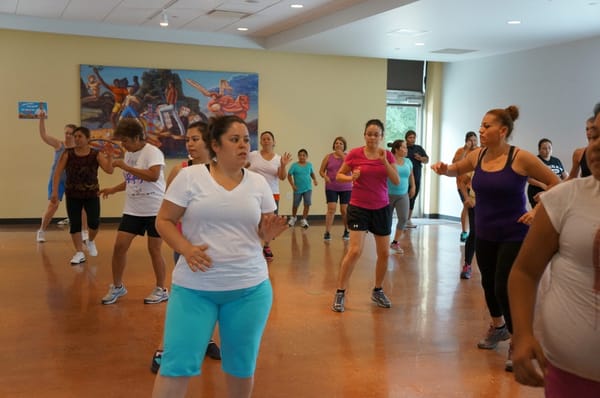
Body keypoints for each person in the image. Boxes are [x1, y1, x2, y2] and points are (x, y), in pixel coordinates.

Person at [151, 115, 289, 398]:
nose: (242, 146)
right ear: (215, 145)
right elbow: (163, 221)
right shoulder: (190, 177)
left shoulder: (258, 183)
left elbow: (260, 233)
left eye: (245, 140)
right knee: (176, 364)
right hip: (194, 290)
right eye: (234, 140)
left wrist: (269, 233)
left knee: (241, 366)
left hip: (249, 290)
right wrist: (185, 249)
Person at [431, 105, 560, 371]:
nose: (481, 130)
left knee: (504, 285)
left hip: (514, 233)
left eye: (487, 126)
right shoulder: (477, 156)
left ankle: (518, 339)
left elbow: (555, 182)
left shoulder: (520, 158)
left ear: (502, 131)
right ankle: (498, 326)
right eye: (481, 125)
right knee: (488, 284)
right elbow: (457, 169)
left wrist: (537, 209)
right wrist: (445, 169)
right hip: (485, 231)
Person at [508, 104, 600, 396]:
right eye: (594, 136)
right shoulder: (566, 198)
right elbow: (524, 271)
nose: (595, 147)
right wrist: (522, 335)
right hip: (570, 374)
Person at [151, 121, 220, 374]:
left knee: (211, 294)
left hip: (214, 246)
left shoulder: (221, 171)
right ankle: (163, 349)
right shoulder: (180, 171)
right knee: (184, 298)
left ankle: (208, 339)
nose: (189, 144)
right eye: (187, 140)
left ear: (209, 142)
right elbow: (168, 212)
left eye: (195, 139)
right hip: (186, 244)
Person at [331, 119, 399, 312]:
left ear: (382, 136)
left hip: (381, 208)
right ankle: (340, 292)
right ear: (364, 135)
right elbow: (339, 175)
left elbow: (394, 179)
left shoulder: (386, 155)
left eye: (376, 134)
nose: (372, 137)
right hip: (359, 207)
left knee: (384, 253)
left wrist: (384, 161)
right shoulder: (354, 154)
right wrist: (351, 177)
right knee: (354, 251)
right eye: (369, 133)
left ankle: (377, 290)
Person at [99, 119, 168, 305]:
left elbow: (153, 176)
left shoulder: (153, 152)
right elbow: (133, 179)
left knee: (154, 250)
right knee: (119, 247)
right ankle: (117, 286)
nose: (124, 145)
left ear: (137, 137)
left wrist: (126, 167)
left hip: (154, 209)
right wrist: (113, 189)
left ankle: (161, 289)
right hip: (133, 210)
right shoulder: (129, 154)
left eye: (126, 141)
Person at [51, 126, 114, 264]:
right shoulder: (68, 154)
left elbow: (109, 170)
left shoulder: (95, 154)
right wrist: (55, 192)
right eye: (75, 136)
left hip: (91, 193)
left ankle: (90, 241)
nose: (77, 139)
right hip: (73, 194)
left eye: (80, 136)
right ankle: (79, 252)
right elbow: (57, 173)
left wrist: (109, 156)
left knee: (94, 222)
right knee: (75, 224)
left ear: (87, 139)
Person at [247, 131, 292, 261]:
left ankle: (266, 246)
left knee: (268, 223)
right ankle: (253, 247)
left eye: (268, 139)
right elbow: (242, 166)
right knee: (253, 220)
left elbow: (282, 177)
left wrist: (283, 165)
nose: (266, 141)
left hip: (272, 193)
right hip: (253, 193)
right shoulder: (253, 155)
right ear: (261, 142)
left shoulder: (278, 159)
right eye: (264, 139)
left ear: (273, 142)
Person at [36, 114, 76, 242]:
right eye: (66, 133)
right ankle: (41, 230)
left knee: (81, 207)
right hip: (57, 180)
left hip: (71, 181)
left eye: (70, 133)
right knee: (53, 206)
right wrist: (41, 119)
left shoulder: (78, 148)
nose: (67, 135)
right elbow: (43, 135)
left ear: (75, 135)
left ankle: (84, 233)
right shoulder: (59, 145)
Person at [318, 136, 352, 241]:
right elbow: (321, 171)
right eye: (337, 143)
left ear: (344, 146)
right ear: (334, 145)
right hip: (331, 186)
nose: (338, 145)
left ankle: (347, 230)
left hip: (346, 187)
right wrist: (325, 176)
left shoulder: (348, 156)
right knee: (331, 209)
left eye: (341, 143)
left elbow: (351, 167)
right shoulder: (328, 157)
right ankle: (327, 232)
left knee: (344, 210)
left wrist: (342, 156)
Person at [387, 139, 415, 254]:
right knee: (386, 220)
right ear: (397, 149)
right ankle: (383, 242)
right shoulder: (389, 160)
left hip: (403, 194)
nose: (406, 149)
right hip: (387, 194)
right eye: (403, 147)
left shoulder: (408, 161)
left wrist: (413, 186)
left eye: (406, 147)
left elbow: (411, 175)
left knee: (403, 218)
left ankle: (395, 243)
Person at [526, 138, 568, 208]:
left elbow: (564, 174)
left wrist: (564, 180)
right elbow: (528, 178)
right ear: (539, 150)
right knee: (541, 214)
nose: (547, 150)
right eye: (544, 148)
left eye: (549, 148)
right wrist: (543, 185)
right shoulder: (535, 160)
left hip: (555, 191)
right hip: (538, 191)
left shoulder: (556, 160)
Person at [452, 131, 478, 241]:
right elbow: (456, 164)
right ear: (466, 141)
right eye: (471, 140)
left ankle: (475, 232)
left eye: (475, 140)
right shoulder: (460, 151)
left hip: (474, 184)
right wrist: (466, 150)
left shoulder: (479, 151)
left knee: (473, 208)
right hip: (462, 183)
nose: (473, 143)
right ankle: (464, 232)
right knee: (466, 206)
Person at [287, 148, 318, 228]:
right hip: (297, 189)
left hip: (308, 188)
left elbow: (312, 173)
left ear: (306, 156)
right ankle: (293, 218)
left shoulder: (309, 165)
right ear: (298, 156)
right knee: (295, 204)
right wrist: (292, 185)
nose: (302, 157)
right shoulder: (294, 165)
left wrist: (315, 180)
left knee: (307, 203)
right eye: (300, 155)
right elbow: (289, 175)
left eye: (304, 155)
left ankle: (304, 220)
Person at [405, 130, 429, 227]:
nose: (412, 139)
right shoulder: (403, 147)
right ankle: (402, 219)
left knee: (413, 197)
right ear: (406, 138)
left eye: (414, 137)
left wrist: (420, 158)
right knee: (403, 198)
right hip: (405, 177)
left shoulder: (419, 148)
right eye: (410, 137)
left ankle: (408, 220)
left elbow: (427, 160)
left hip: (417, 175)